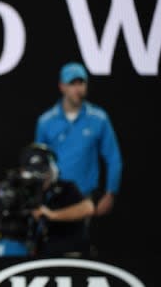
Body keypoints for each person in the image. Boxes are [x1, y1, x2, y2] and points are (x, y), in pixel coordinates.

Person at [0, 143, 95, 258]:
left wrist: (51, 215)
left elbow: (88, 208)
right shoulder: (16, 190)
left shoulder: (65, 188)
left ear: (52, 170)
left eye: (43, 171)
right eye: (32, 172)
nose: (39, 177)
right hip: (30, 253)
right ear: (23, 171)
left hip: (66, 253)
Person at [34, 61, 123, 217]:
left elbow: (113, 158)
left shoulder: (99, 119)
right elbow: (38, 162)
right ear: (62, 87)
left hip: (85, 198)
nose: (77, 89)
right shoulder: (46, 121)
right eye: (72, 83)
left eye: (81, 83)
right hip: (54, 198)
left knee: (81, 240)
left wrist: (110, 193)